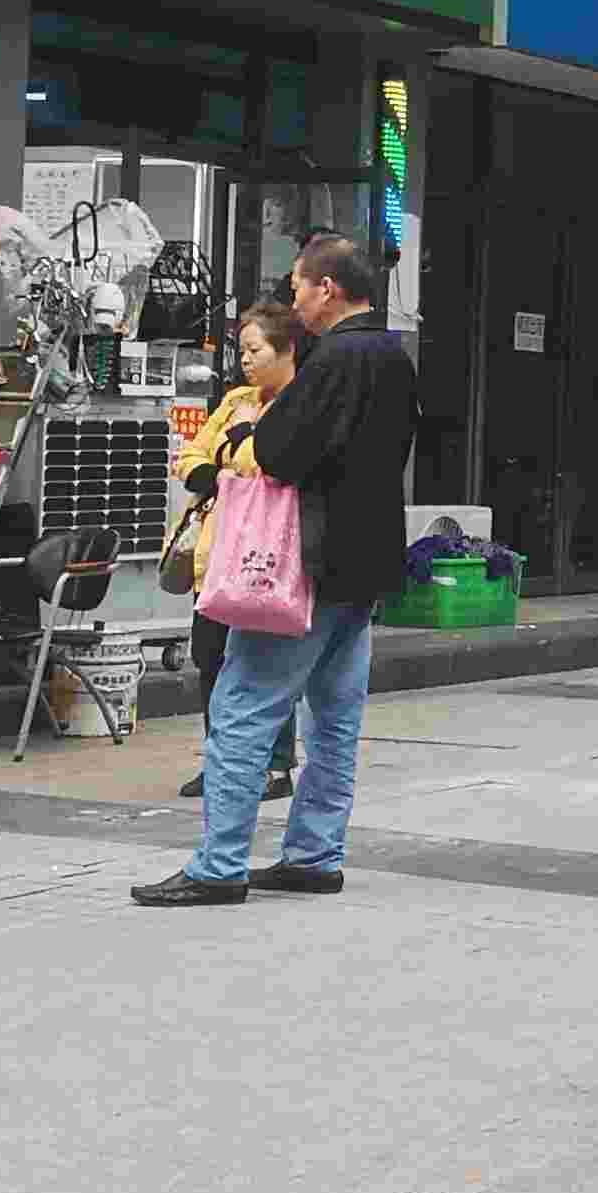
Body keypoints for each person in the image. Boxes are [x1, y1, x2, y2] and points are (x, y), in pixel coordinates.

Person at [135, 234, 408, 907]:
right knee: (334, 719)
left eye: (298, 286)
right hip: (364, 563)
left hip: (300, 565)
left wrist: (239, 441)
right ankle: (314, 855)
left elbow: (283, 454)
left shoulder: (334, 358)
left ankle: (218, 866)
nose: (295, 298)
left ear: (327, 288)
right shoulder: (394, 355)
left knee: (242, 707)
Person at [169, 298, 302, 804]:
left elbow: (268, 467)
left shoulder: (298, 403)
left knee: (267, 661)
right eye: (241, 350)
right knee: (211, 657)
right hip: (217, 551)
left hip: (266, 554)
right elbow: (191, 456)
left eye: (255, 349)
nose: (245, 360)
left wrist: (245, 437)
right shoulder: (234, 400)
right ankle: (220, 759)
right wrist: (213, 473)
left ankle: (274, 765)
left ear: (285, 350)